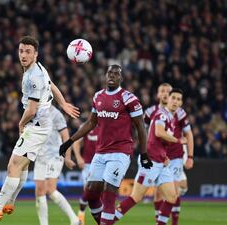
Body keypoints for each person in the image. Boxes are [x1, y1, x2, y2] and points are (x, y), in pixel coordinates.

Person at [0, 36, 80, 222]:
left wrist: (21, 124)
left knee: (13, 165)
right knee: (21, 166)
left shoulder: (33, 77)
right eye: (21, 50)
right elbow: (52, 85)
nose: (23, 55)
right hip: (41, 127)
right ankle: (9, 203)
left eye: (28, 51)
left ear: (35, 54)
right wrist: (63, 103)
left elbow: (31, 110)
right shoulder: (40, 69)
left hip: (36, 127)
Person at [59, 64, 152, 225]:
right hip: (100, 153)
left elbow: (141, 128)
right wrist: (69, 141)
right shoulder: (98, 97)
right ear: (105, 75)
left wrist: (144, 154)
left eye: (116, 74)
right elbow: (90, 123)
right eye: (109, 73)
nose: (112, 76)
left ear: (121, 78)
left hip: (120, 152)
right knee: (92, 195)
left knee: (109, 193)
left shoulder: (129, 98)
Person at [114, 88, 187, 225]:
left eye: (179, 99)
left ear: (181, 103)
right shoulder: (162, 114)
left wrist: (164, 155)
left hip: (160, 162)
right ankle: (107, 221)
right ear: (168, 99)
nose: (175, 101)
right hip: (150, 162)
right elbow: (159, 132)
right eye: (173, 98)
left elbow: (156, 139)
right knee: (136, 197)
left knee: (172, 197)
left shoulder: (170, 118)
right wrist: (177, 140)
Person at [144, 84, 194, 224]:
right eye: (162, 91)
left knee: (176, 191)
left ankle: (174, 222)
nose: (165, 94)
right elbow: (143, 132)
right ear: (158, 94)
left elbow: (188, 134)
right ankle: (158, 221)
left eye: (168, 91)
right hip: (157, 157)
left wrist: (190, 156)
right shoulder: (151, 112)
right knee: (159, 192)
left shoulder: (180, 113)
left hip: (175, 156)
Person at [33, 105, 80, 225]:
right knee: (39, 190)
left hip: (54, 155)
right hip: (40, 156)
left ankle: (74, 220)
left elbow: (66, 137)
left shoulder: (56, 114)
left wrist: (68, 158)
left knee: (50, 189)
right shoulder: (33, 111)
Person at [72, 127, 99, 225]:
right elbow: (76, 142)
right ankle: (81, 215)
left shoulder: (107, 123)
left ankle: (103, 220)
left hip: (103, 163)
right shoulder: (87, 125)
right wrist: (79, 158)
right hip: (88, 164)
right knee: (88, 191)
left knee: (104, 192)